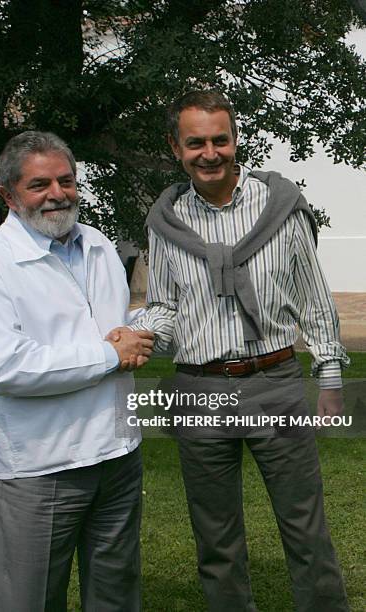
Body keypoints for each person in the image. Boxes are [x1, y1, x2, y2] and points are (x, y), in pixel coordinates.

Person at [124, 90, 350, 611]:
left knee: (305, 527)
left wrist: (331, 379)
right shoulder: (166, 223)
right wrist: (137, 333)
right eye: (196, 142)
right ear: (175, 147)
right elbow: (163, 306)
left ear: (235, 139)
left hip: (275, 381)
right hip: (198, 391)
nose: (210, 153)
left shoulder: (281, 207)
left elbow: (313, 298)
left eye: (220, 140)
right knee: (216, 538)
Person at [0, 131, 154, 612]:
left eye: (66, 180)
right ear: (7, 194)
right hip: (43, 469)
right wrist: (110, 355)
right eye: (39, 184)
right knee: (32, 601)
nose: (57, 194)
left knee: (117, 595)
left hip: (117, 455)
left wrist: (143, 333)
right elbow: (8, 367)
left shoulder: (99, 247)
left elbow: (112, 329)